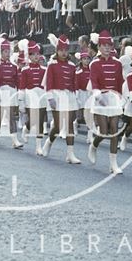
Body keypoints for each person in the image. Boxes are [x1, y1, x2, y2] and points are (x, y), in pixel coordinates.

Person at [87, 30, 124, 174]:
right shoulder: (94, 64)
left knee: (114, 131)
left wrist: (122, 98)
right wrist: (97, 94)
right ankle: (94, 146)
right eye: (104, 45)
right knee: (103, 131)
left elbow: (120, 82)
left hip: (114, 99)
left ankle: (113, 164)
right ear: (99, 47)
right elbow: (94, 81)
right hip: (100, 99)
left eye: (109, 45)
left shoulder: (118, 63)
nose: (107, 48)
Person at [42, 34, 81, 164]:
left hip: (69, 96)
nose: (64, 53)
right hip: (56, 95)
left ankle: (70, 154)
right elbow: (48, 82)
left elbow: (74, 83)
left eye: (66, 50)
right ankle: (48, 143)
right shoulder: (51, 64)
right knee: (58, 125)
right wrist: (50, 98)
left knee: (69, 124)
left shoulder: (71, 65)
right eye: (61, 50)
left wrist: (76, 96)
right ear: (57, 50)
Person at [0, 38, 23, 148]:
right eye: (5, 52)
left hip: (11, 92)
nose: (7, 54)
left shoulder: (14, 66)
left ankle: (14, 140)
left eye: (8, 52)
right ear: (1, 52)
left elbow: (17, 81)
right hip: (1, 92)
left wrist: (20, 92)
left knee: (11, 116)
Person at [19, 40, 48, 155]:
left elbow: (46, 85)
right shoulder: (25, 70)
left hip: (41, 96)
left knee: (40, 120)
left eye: (38, 54)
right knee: (32, 121)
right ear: (29, 56)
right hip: (30, 96)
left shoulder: (44, 70)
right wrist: (21, 102)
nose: (36, 56)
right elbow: (22, 87)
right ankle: (26, 128)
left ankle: (38, 146)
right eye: (33, 54)